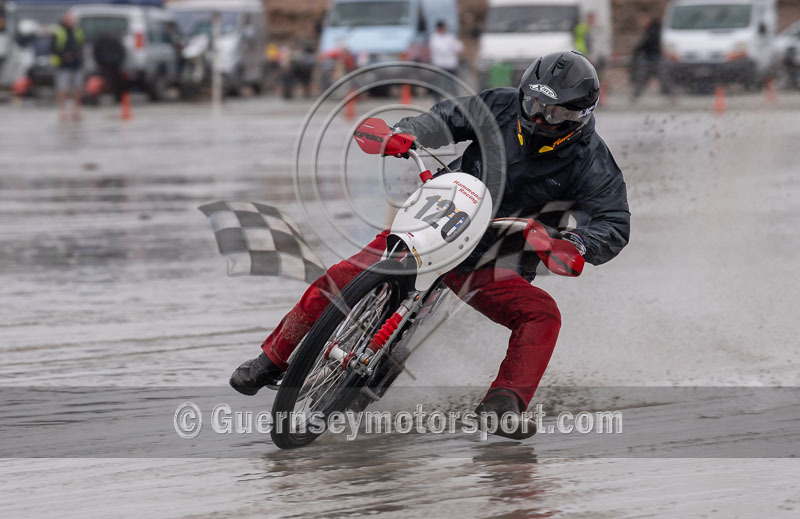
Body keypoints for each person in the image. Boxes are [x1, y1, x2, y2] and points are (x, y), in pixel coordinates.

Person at [230, 51, 630, 439]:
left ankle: (504, 404)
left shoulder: (592, 161)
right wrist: (405, 133)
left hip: (493, 259)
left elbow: (613, 223)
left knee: (542, 314)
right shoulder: (500, 105)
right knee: (343, 274)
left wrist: (573, 242)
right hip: (438, 217)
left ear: (580, 116)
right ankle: (271, 358)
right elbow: (444, 118)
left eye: (555, 114)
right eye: (534, 104)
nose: (540, 117)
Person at [51, 12, 85, 121]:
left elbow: (82, 44)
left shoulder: (78, 31)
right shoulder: (58, 31)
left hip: (76, 64)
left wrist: (79, 54)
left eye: (72, 19)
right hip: (63, 65)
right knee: (62, 88)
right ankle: (62, 110)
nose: (71, 21)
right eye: (69, 19)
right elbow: (53, 48)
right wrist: (64, 56)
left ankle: (76, 110)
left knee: (77, 88)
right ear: (64, 20)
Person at [429, 20, 463, 101]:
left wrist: (452, 47)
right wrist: (450, 48)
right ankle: (437, 101)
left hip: (451, 65)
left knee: (453, 85)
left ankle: (456, 101)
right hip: (440, 65)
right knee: (439, 85)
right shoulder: (434, 38)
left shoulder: (450, 37)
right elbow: (441, 49)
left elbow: (459, 48)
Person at [630, 14, 663, 99]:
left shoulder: (653, 30)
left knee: (646, 77)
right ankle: (636, 95)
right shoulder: (652, 30)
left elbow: (648, 43)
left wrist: (638, 49)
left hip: (654, 58)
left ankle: (636, 95)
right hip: (652, 58)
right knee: (646, 78)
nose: (642, 23)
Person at [92, 32, 127, 102]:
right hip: (109, 67)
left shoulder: (101, 43)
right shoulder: (115, 43)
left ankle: (115, 95)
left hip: (108, 67)